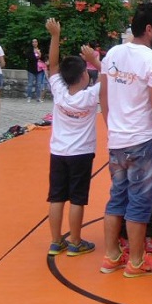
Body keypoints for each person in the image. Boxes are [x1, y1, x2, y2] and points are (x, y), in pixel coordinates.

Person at [98, 2, 152, 278]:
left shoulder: (112, 54)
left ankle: (112, 255)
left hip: (117, 139)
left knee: (117, 198)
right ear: (149, 29)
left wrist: (112, 125)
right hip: (141, 139)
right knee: (140, 201)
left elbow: (103, 96)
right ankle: (137, 261)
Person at [44, 18, 101, 257]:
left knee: (56, 196)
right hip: (81, 154)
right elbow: (110, 75)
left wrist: (55, 35)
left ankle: (57, 241)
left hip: (58, 152)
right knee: (78, 198)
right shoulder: (89, 97)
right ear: (82, 77)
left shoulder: (59, 91)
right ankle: (75, 241)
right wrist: (94, 60)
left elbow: (53, 65)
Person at [26, 38, 46, 103]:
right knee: (30, 84)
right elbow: (30, 58)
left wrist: (40, 54)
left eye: (36, 42)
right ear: (32, 43)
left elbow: (43, 58)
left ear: (37, 43)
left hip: (39, 70)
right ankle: (29, 97)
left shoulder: (41, 49)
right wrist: (37, 56)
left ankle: (38, 98)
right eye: (33, 42)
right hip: (31, 69)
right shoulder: (29, 50)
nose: (34, 43)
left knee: (39, 84)